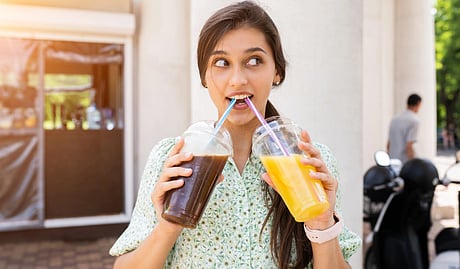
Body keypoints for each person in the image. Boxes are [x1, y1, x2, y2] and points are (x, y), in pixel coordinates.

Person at [109, 1, 361, 268]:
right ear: (205, 77)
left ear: (277, 71)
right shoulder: (174, 157)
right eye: (221, 62)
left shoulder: (308, 161)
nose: (238, 79)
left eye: (254, 61)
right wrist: (168, 226)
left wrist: (321, 224)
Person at [387, 93, 422, 163]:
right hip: (404, 163)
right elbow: (409, 146)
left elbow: (388, 144)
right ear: (418, 104)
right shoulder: (414, 120)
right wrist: (413, 164)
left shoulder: (394, 119)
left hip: (392, 161)